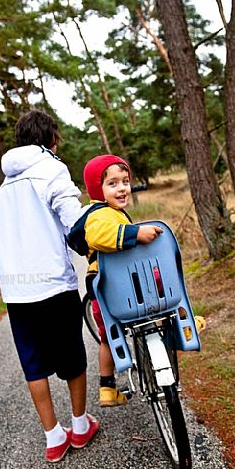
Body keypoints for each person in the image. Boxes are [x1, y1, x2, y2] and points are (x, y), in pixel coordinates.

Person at [0, 111, 99, 463]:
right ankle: (80, 427)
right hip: (53, 284)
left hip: (16, 293)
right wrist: (96, 242)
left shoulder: (1, 192)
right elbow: (74, 223)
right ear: (52, 140)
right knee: (71, 355)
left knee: (33, 363)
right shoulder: (51, 170)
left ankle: (54, 437)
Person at [70, 154, 163, 407]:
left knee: (109, 338)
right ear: (96, 191)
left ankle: (107, 388)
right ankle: (175, 331)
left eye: (125, 181)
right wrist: (135, 232)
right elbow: (101, 236)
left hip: (119, 287)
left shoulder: (114, 212)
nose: (122, 188)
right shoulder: (99, 214)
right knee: (113, 333)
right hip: (111, 289)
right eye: (112, 183)